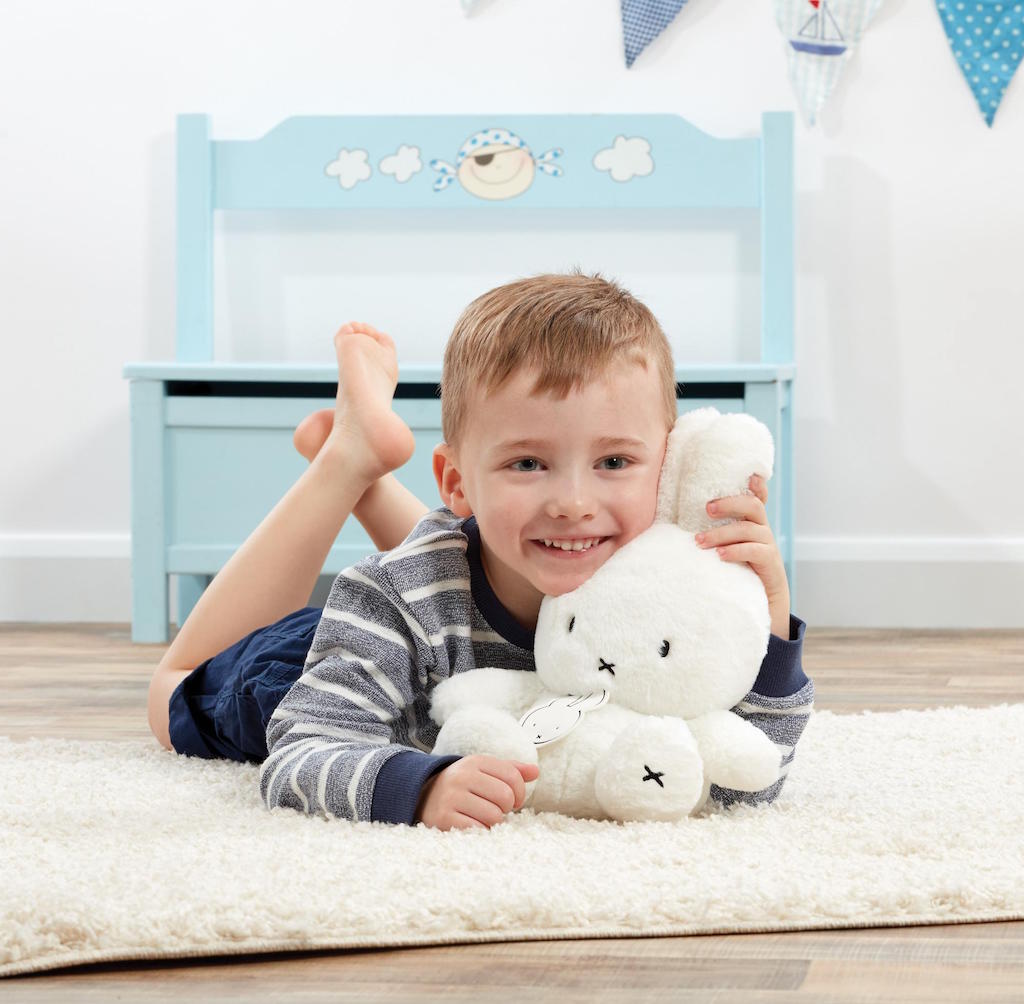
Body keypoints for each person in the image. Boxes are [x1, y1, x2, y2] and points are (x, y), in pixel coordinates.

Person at [146, 272, 814, 831]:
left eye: (614, 460)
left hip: (469, 574)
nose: (575, 501)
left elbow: (750, 783)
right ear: (455, 482)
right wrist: (416, 784)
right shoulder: (388, 600)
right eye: (528, 462)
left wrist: (770, 616)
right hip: (324, 663)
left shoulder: (666, 577)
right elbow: (300, 753)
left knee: (499, 542)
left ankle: (368, 473)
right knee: (171, 689)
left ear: (667, 470)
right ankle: (345, 462)